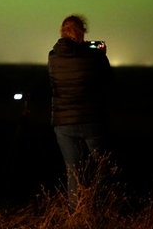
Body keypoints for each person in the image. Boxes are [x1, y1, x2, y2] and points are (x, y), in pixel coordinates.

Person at [47, 14, 113, 211]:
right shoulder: (92, 56)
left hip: (62, 122)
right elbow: (108, 79)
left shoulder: (53, 55)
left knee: (73, 171)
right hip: (91, 119)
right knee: (104, 166)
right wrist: (102, 54)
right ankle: (103, 207)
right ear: (81, 32)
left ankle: (76, 213)